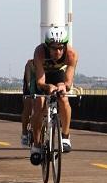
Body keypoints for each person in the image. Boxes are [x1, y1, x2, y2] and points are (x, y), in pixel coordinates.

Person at [29, 26, 79, 166]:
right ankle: (37, 145)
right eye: (53, 48)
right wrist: (47, 87)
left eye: (60, 48)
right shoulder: (39, 52)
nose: (57, 51)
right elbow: (40, 82)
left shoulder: (71, 54)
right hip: (41, 75)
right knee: (39, 103)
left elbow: (68, 82)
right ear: (47, 46)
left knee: (63, 98)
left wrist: (63, 86)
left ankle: (65, 136)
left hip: (58, 75)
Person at [20, 59, 35, 147]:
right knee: (28, 104)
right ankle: (24, 133)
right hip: (31, 83)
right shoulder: (30, 64)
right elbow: (29, 83)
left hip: (43, 82)